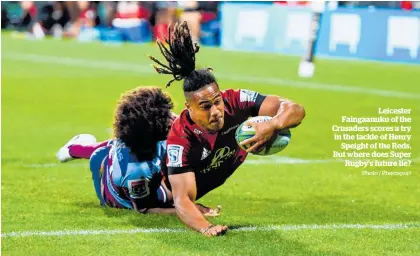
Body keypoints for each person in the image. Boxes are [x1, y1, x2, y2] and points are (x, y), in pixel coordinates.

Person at [149, 22, 306, 236]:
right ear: (189, 108)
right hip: (156, 188)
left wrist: (273, 123)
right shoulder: (180, 138)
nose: (216, 111)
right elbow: (182, 199)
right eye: (205, 106)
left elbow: (294, 109)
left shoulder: (236, 100)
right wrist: (206, 227)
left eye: (217, 102)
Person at [56, 86, 220, 216]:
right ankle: (74, 148)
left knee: (104, 149)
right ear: (153, 131)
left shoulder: (143, 130)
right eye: (167, 119)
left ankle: (75, 148)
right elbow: (144, 209)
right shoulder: (136, 170)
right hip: (117, 196)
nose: (173, 119)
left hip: (116, 153)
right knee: (173, 193)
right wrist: (191, 209)